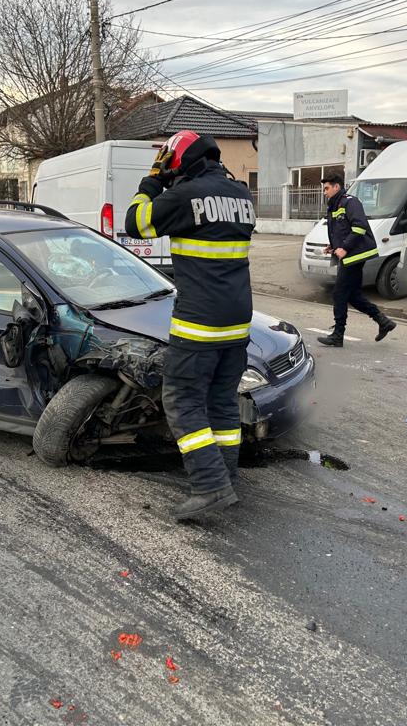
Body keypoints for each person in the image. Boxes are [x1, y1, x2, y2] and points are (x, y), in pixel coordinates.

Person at [125, 130, 254, 521]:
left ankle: (210, 486)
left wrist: (152, 180)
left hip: (199, 323)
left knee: (182, 400)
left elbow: (135, 223)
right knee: (221, 403)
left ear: (176, 162)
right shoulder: (242, 196)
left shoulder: (182, 197)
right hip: (237, 322)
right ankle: (226, 479)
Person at [316, 172, 396, 346]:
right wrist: (334, 246)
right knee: (353, 295)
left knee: (339, 294)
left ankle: (338, 335)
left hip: (355, 255)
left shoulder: (350, 202)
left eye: (327, 188)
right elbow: (341, 230)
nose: (325, 192)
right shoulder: (335, 205)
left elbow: (359, 227)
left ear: (337, 186)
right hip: (349, 255)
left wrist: (344, 248)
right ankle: (383, 322)